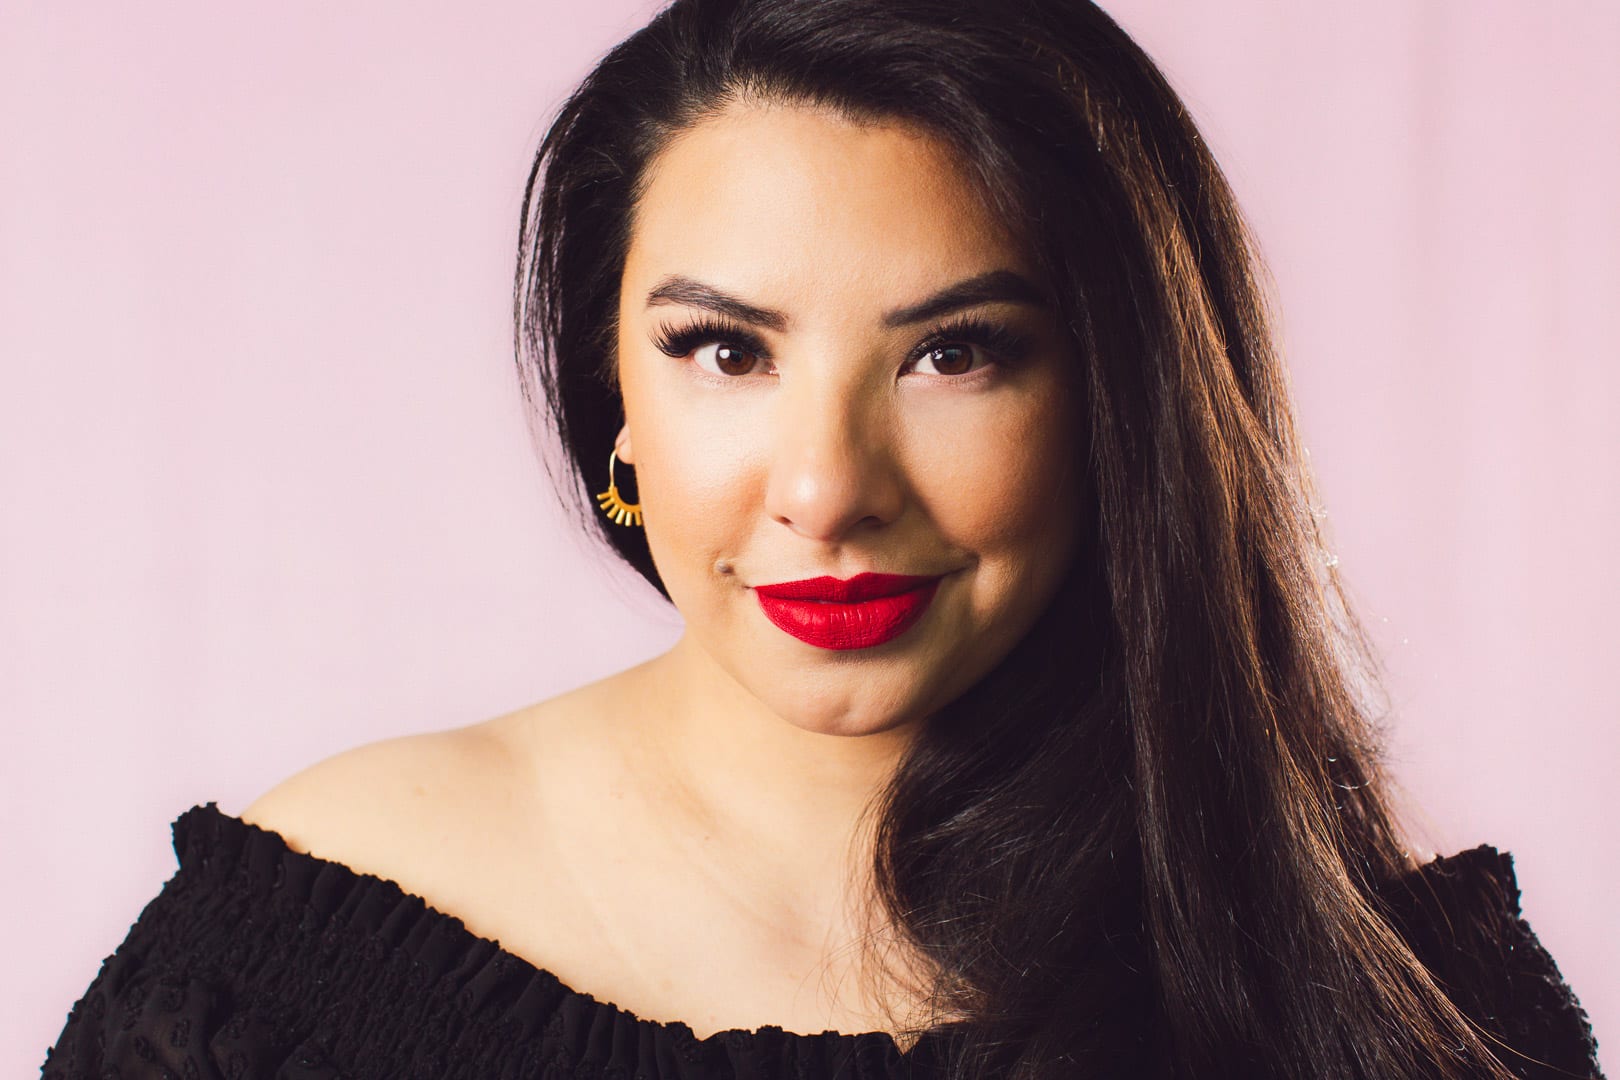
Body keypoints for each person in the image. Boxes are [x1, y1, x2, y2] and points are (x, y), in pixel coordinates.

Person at [39, 1, 1604, 1078]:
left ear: (1120, 399)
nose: (827, 487)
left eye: (954, 353)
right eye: (726, 351)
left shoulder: (1382, 986)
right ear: (616, 406)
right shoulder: (297, 970)